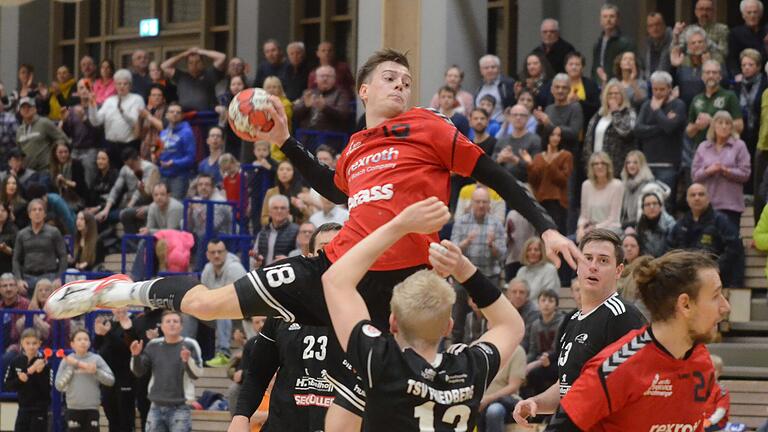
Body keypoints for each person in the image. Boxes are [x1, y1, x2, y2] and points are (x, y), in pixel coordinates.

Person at [45, 49, 579, 418]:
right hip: (337, 271)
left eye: (406, 79)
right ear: (365, 88)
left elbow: (497, 176)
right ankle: (116, 290)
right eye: (390, 77)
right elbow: (336, 187)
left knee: (372, 406)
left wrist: (549, 229)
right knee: (208, 306)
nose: (401, 85)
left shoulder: (430, 126)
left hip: (402, 288)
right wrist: (284, 141)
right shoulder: (354, 149)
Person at [321, 197, 524, 431]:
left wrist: (400, 225)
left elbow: (335, 280)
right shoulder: (468, 368)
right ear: (448, 326)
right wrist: (463, 268)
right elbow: (511, 326)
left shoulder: (381, 361)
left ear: (393, 322)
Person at [544, 250, 729, 431]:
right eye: (715, 296)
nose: (725, 307)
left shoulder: (701, 360)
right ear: (685, 304)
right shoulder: (617, 366)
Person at [513, 229, 645, 426]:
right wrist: (536, 402)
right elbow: (565, 386)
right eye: (587, 258)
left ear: (618, 271)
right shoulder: (570, 320)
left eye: (603, 261)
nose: (592, 266)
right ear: (577, 266)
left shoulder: (623, 317)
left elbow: (636, 392)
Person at [230, 223, 342, 432]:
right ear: (310, 257)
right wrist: (241, 416)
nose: (332, 255)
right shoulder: (284, 308)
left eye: (339, 248)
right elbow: (257, 372)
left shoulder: (363, 307)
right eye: (324, 248)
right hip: (284, 423)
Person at [130, 311, 202, 432]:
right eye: (168, 321)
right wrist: (136, 356)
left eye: (175, 321)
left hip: (181, 407)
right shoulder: (153, 345)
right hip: (155, 407)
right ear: (162, 326)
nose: (172, 324)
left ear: (181, 326)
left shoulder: (190, 344)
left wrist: (187, 361)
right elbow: (139, 371)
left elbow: (197, 374)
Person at [667, 183, 744, 288]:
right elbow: (671, 250)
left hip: (718, 277)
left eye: (701, 194)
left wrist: (715, 267)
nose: (697, 198)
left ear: (708, 198)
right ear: (687, 200)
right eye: (693, 195)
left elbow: (734, 248)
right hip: (686, 279)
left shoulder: (721, 221)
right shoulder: (681, 224)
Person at [634, 71, 687, 210]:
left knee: (666, 204)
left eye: (662, 89)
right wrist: (661, 126)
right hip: (648, 163)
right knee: (645, 203)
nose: (658, 93)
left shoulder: (678, 105)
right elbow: (638, 129)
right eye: (655, 89)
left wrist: (657, 111)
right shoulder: (646, 105)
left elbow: (670, 128)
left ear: (669, 88)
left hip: (668, 164)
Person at [692, 110, 751, 228]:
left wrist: (727, 171)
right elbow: (694, 175)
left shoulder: (739, 145)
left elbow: (746, 173)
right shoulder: (703, 146)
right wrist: (709, 171)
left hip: (731, 204)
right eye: (720, 123)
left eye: (727, 123)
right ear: (713, 126)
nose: (724, 126)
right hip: (707, 204)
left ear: (731, 127)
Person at [196, 238, 247, 367]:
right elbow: (203, 296)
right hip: (217, 313)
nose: (216, 255)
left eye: (219, 252)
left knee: (222, 308)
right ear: (207, 255)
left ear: (226, 253)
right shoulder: (207, 269)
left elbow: (234, 300)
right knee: (189, 312)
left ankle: (224, 353)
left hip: (242, 316)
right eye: (213, 252)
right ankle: (186, 352)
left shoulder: (235, 268)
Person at [55, 329, 115, 432]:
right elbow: (59, 385)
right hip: (73, 408)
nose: (83, 342)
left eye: (86, 339)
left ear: (89, 343)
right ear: (72, 344)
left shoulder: (96, 359)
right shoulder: (67, 361)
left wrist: (96, 371)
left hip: (92, 408)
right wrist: (72, 367)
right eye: (79, 339)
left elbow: (111, 380)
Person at [85, 69, 145, 169]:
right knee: (112, 176)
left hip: (128, 146)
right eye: (119, 83)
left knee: (128, 176)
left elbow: (135, 123)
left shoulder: (137, 99)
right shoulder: (109, 100)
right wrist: (92, 104)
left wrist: (122, 112)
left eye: (125, 84)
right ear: (115, 85)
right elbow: (96, 122)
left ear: (130, 85)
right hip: (110, 145)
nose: (121, 86)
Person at [451, 187, 507, 283]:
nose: (481, 205)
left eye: (484, 202)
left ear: (489, 204)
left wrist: (492, 245)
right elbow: (452, 252)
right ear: (472, 203)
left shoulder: (497, 224)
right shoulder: (461, 222)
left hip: (489, 275)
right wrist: (467, 241)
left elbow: (503, 256)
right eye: (477, 202)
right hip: (464, 274)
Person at [12, 199, 67, 292]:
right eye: (34, 210)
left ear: (45, 214)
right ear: (29, 214)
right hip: (27, 278)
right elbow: (16, 259)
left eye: (40, 209)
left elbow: (63, 256)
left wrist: (59, 278)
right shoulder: (22, 234)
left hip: (49, 277)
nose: (37, 212)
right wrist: (18, 279)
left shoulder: (54, 232)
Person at [686, 60, 743, 148]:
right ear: (702, 76)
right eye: (707, 72)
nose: (711, 75)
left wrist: (712, 121)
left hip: (725, 149)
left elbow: (739, 126)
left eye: (714, 72)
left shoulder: (730, 96)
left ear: (720, 76)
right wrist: (697, 126)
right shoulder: (696, 99)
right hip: (701, 150)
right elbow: (689, 132)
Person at [583, 79, 637, 174]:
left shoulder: (629, 113)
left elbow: (626, 133)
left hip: (617, 168)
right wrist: (588, 162)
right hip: (596, 165)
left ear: (623, 96)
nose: (613, 96)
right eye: (610, 93)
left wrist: (615, 112)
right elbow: (588, 139)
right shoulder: (599, 114)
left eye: (617, 93)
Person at [526, 126, 573, 233]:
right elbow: (534, 180)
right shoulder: (538, 157)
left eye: (559, 135)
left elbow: (562, 180)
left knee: (558, 233)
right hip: (541, 201)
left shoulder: (566, 155)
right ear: (547, 136)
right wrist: (529, 165)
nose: (556, 138)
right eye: (553, 135)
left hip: (558, 202)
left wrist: (550, 162)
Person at [97, 148, 159, 226]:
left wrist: (130, 205)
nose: (130, 168)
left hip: (146, 203)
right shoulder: (125, 169)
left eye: (132, 165)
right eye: (128, 165)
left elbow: (140, 192)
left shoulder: (149, 168)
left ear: (138, 159)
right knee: (103, 216)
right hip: (129, 204)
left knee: (125, 214)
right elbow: (116, 189)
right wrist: (106, 209)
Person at [4, 328, 51, 432]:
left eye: (34, 343)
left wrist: (40, 374)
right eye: (28, 343)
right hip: (23, 409)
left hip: (40, 410)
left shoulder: (45, 363)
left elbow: (48, 390)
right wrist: (19, 380)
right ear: (22, 343)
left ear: (39, 344)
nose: (31, 346)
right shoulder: (16, 361)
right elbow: (7, 385)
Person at [293, 65, 352, 144]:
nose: (325, 79)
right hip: (306, 137)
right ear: (316, 79)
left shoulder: (341, 94)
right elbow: (295, 113)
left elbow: (344, 114)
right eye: (322, 76)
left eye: (328, 76)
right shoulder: (309, 93)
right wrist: (305, 106)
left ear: (334, 79)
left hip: (330, 138)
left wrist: (325, 108)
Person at [523, 289, 565, 397]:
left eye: (550, 301)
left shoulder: (561, 322)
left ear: (556, 305)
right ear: (538, 303)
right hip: (540, 360)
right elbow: (533, 350)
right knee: (522, 373)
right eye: (543, 300)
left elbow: (556, 350)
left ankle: (541, 408)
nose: (546, 304)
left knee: (536, 373)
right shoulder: (535, 324)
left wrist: (537, 363)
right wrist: (524, 364)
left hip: (557, 360)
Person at [61, 79, 102, 188]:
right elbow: (68, 133)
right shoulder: (73, 110)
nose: (84, 91)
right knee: (69, 175)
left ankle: (89, 201)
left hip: (91, 149)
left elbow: (99, 133)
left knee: (89, 180)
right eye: (81, 88)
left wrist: (84, 119)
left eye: (87, 88)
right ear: (77, 92)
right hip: (75, 149)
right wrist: (64, 121)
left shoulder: (97, 107)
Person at [670, 25, 724, 107]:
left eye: (700, 42)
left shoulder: (716, 59)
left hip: (709, 106)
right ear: (688, 46)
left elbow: (724, 83)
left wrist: (708, 66)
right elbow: (670, 84)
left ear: (705, 44)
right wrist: (673, 67)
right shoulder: (682, 60)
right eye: (693, 43)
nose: (697, 45)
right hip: (685, 107)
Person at [734, 49, 766, 181]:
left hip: (758, 130)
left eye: (750, 65)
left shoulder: (765, 84)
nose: (746, 68)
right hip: (740, 131)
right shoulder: (736, 84)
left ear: (758, 67)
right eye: (744, 65)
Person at [161, 47, 226, 112]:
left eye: (197, 62)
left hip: (207, 115)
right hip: (185, 115)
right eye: (191, 62)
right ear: (187, 65)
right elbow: (164, 66)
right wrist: (184, 54)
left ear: (202, 63)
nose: (194, 65)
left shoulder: (210, 74)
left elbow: (222, 57)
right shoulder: (181, 76)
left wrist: (200, 51)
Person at [577, 152, 624, 242]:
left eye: (603, 163)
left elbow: (613, 218)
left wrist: (593, 228)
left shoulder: (617, 185)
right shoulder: (586, 185)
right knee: (568, 243)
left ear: (608, 166)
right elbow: (584, 215)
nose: (599, 166)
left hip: (610, 229)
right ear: (592, 167)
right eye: (596, 164)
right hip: (589, 229)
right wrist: (581, 228)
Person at [16, 97, 70, 172]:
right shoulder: (19, 131)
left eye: (29, 107)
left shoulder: (44, 122)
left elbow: (63, 139)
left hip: (47, 169)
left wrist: (56, 154)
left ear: (35, 109)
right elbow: (19, 152)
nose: (26, 109)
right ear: (20, 111)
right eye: (23, 108)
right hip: (29, 172)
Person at [537, 73, 583, 159]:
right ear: (551, 90)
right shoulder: (548, 109)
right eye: (557, 87)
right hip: (549, 157)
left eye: (564, 88)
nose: (560, 91)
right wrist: (540, 124)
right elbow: (544, 138)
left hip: (568, 158)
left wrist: (549, 124)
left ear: (569, 90)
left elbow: (573, 133)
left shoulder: (575, 107)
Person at [492, 104, 541, 182]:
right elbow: (492, 165)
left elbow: (537, 170)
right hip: (502, 183)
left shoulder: (535, 140)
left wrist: (516, 160)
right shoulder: (502, 140)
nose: (518, 118)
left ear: (528, 118)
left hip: (526, 184)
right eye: (515, 115)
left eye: (522, 115)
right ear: (510, 117)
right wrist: (500, 159)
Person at [591, 3, 635, 83]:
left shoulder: (626, 43)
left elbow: (629, 68)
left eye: (612, 16)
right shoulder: (597, 44)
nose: (608, 20)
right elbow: (594, 68)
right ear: (600, 20)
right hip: (598, 86)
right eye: (605, 17)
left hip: (617, 87)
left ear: (617, 20)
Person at [252, 194, 299, 268]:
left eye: (283, 208)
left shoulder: (297, 231)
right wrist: (256, 262)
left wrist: (289, 260)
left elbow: (302, 256)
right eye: (275, 208)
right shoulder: (262, 232)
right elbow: (254, 258)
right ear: (270, 212)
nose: (279, 211)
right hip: (265, 275)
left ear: (288, 211)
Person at [260, 160, 310, 226]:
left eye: (288, 170)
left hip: (298, 229)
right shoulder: (271, 192)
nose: (284, 172)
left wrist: (296, 216)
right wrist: (276, 218)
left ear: (294, 173)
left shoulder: (303, 191)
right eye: (281, 169)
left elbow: (310, 217)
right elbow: (263, 220)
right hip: (276, 229)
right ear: (277, 172)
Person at [727, 0, 767, 78]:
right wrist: (736, 74)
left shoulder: (766, 32)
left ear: (761, 14)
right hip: (743, 74)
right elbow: (732, 58)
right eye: (749, 12)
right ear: (743, 15)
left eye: (755, 12)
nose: (752, 15)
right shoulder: (735, 33)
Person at [620, 150, 659, 228]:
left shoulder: (649, 185)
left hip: (642, 226)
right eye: (628, 163)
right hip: (626, 224)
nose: (631, 165)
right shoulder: (625, 184)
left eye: (635, 162)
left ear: (642, 165)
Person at [247, 141, 277, 234]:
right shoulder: (251, 164)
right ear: (254, 151)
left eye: (264, 150)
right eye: (258, 150)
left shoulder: (272, 162)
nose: (261, 153)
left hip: (268, 196)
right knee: (256, 221)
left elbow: (277, 174)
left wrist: (268, 167)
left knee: (267, 219)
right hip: (255, 197)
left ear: (269, 151)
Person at [476, 54, 516, 122]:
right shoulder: (479, 88)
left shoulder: (507, 84)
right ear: (481, 70)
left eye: (493, 67)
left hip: (501, 126)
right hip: (481, 127)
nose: (490, 70)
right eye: (486, 68)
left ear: (498, 69)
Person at [635, 192, 675, 258]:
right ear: (643, 209)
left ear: (660, 207)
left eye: (655, 203)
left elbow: (671, 250)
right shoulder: (640, 225)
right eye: (647, 204)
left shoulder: (670, 225)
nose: (652, 207)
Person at [50, 142, 87, 211]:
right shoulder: (54, 167)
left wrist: (64, 181)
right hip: (61, 198)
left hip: (77, 198)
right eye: (60, 152)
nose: (63, 155)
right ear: (55, 154)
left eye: (66, 152)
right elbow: (54, 187)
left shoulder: (76, 164)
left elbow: (79, 186)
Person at [137, 84, 167, 163]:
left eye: (159, 95)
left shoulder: (167, 109)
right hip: (145, 146)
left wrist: (148, 116)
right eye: (153, 95)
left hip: (161, 145)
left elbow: (163, 127)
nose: (156, 98)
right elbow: (138, 134)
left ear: (163, 98)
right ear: (149, 97)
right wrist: (139, 119)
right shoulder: (145, 110)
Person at [704, 354, 731, 432]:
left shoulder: (721, 390)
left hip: (716, 423)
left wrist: (710, 421)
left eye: (713, 370)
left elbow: (721, 410)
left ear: (720, 373)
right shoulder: (698, 388)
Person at [642, 12, 672, 79]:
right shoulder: (646, 44)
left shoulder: (672, 41)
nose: (654, 28)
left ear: (664, 25)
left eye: (657, 24)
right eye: (651, 26)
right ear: (647, 29)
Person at [0, 204, 17, 275]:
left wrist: (7, 249)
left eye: (3, 210)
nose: (0, 213)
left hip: (8, 268)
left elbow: (20, 254)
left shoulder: (13, 230)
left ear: (8, 213)